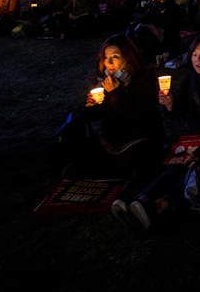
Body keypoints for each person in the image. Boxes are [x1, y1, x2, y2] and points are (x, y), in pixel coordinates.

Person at [114, 34, 200, 230]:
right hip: (199, 137)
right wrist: (170, 104)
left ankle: (160, 205)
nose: (198, 60)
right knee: (176, 165)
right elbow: (180, 113)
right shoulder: (190, 78)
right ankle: (141, 199)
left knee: (194, 167)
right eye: (194, 55)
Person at [56, 35, 164, 182]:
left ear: (127, 56)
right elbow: (96, 116)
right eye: (106, 57)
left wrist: (116, 92)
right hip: (112, 140)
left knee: (135, 156)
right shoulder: (104, 81)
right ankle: (107, 170)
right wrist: (92, 106)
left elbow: (136, 117)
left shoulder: (143, 78)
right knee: (78, 148)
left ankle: (107, 172)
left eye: (115, 56)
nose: (110, 62)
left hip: (139, 138)